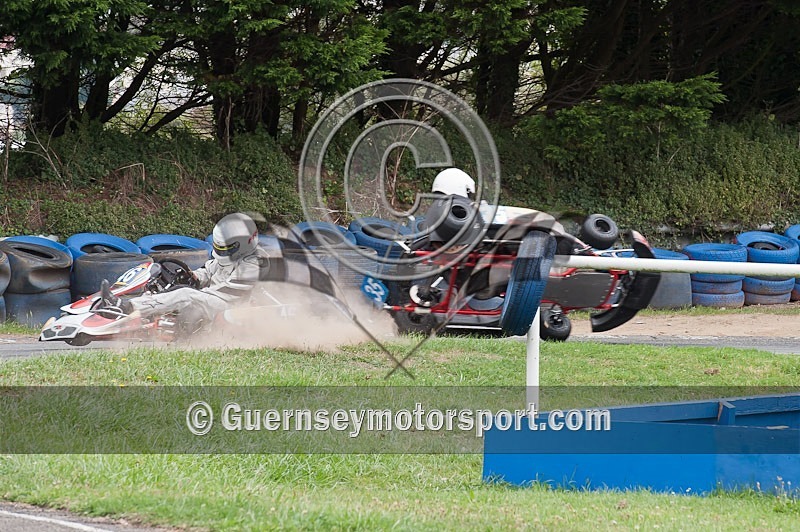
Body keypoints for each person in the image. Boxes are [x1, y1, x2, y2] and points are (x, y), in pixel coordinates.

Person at [99, 212, 264, 331]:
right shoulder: (226, 259)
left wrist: (193, 292)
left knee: (185, 294)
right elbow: (208, 272)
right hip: (215, 301)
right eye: (220, 247)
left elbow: (229, 292)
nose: (222, 251)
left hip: (234, 307)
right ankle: (132, 310)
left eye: (227, 248)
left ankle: (125, 307)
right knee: (168, 282)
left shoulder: (255, 263)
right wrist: (189, 276)